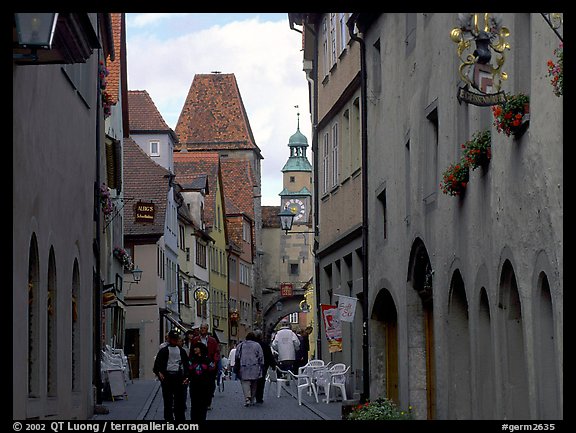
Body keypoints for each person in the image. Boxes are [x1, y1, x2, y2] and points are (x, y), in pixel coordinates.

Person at [152, 330, 189, 421]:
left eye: (176, 339)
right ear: (169, 339)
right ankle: (169, 419)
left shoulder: (181, 351)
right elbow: (157, 365)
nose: (174, 341)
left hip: (178, 377)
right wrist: (159, 373)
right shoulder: (164, 351)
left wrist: (187, 377)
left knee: (179, 402)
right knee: (168, 402)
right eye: (173, 339)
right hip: (167, 377)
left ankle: (180, 419)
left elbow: (186, 365)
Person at [191, 323, 220, 409]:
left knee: (210, 384)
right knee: (199, 383)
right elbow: (192, 352)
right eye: (201, 328)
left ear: (207, 330)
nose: (202, 330)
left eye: (204, 328)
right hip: (198, 364)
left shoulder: (212, 340)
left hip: (209, 364)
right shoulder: (195, 339)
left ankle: (208, 402)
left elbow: (216, 352)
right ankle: (200, 400)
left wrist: (215, 362)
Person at [187, 341, 215, 422]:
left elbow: (212, 371)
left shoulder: (207, 359)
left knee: (203, 406)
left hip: (205, 386)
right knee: (194, 405)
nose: (195, 349)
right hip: (194, 385)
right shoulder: (192, 359)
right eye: (194, 348)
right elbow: (188, 370)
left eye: (197, 348)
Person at [235, 332, 264, 406]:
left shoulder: (240, 345)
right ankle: (252, 398)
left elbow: (237, 356)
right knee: (254, 383)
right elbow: (261, 356)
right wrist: (261, 365)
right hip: (255, 367)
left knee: (245, 382)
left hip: (243, 366)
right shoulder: (257, 345)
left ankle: (247, 398)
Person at [254, 329, 276, 404]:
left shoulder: (252, 344)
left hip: (253, 366)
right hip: (263, 365)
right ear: (260, 336)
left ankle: (251, 396)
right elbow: (269, 355)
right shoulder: (264, 345)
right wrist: (273, 365)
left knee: (253, 380)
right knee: (261, 381)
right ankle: (259, 397)